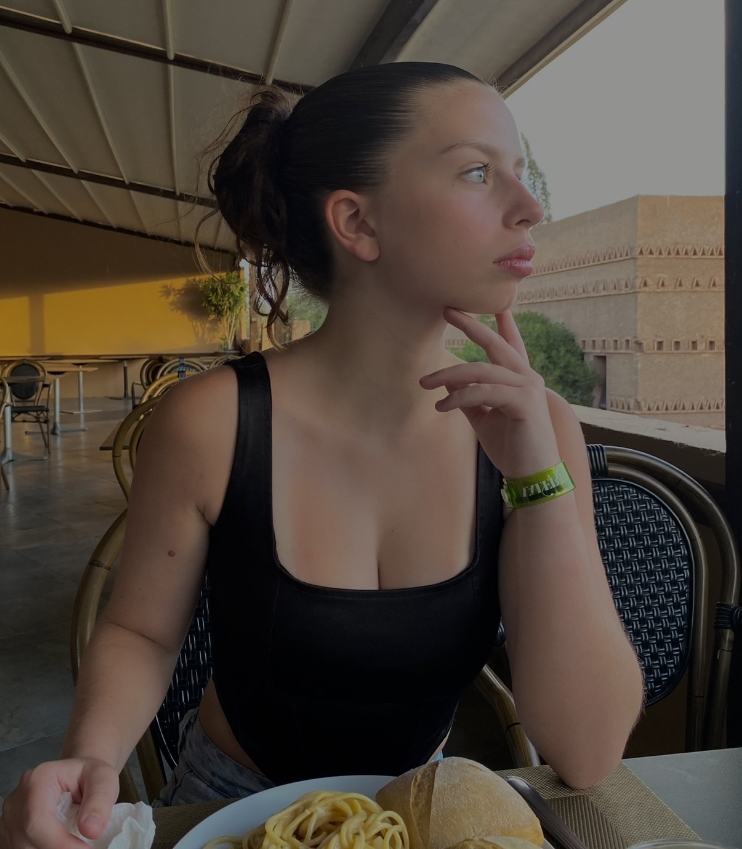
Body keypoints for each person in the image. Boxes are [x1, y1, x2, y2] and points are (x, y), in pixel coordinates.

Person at [0, 63, 643, 849]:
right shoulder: (212, 421)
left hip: (422, 810)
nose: (530, 206)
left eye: (519, 169)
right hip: (227, 809)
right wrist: (89, 758)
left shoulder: (537, 430)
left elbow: (586, 751)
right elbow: (142, 631)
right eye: (479, 172)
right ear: (357, 222)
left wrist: (539, 481)